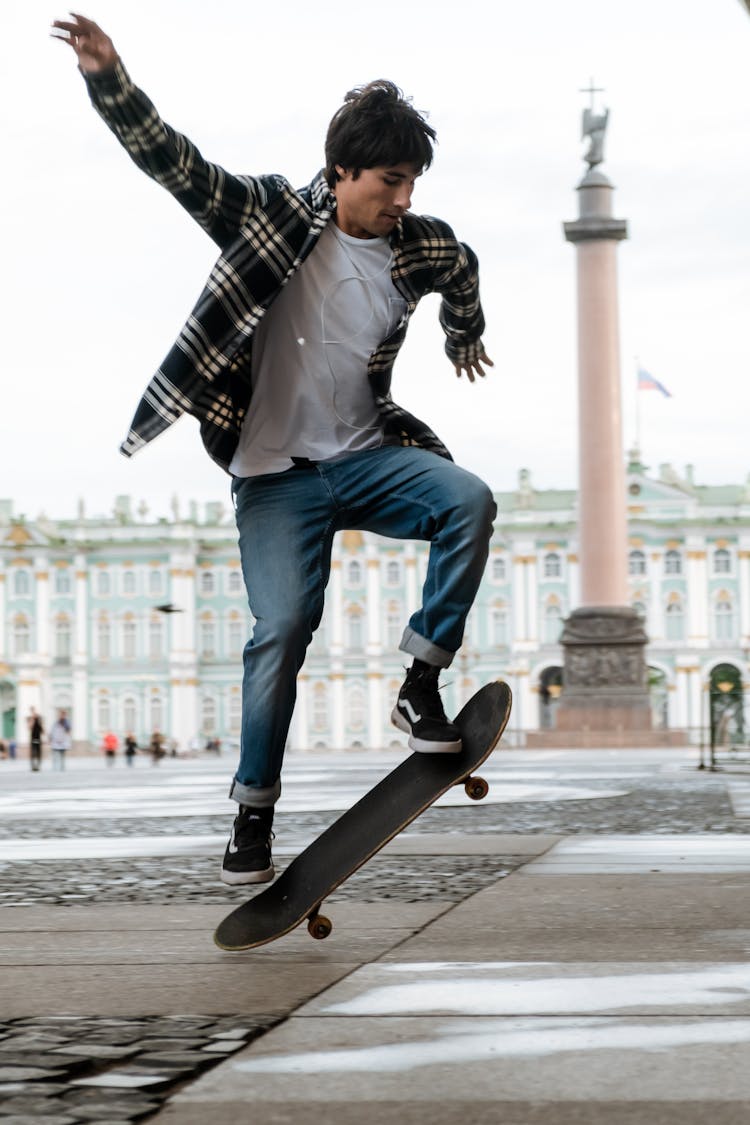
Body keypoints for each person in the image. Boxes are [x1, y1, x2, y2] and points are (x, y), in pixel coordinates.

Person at [53, 14, 497, 888]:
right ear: (342, 171)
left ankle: (420, 684)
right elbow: (170, 161)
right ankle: (253, 813)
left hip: (368, 457)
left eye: (413, 182)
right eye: (390, 180)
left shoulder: (420, 246)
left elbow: (466, 267)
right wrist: (109, 77)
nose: (403, 199)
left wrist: (461, 334)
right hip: (275, 479)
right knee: (281, 629)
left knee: (468, 499)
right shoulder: (265, 215)